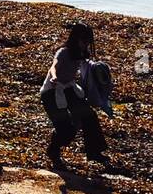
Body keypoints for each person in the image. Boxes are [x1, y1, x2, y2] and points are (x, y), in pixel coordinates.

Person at [40, 22, 109, 163]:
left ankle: (94, 152)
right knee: (66, 128)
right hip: (51, 92)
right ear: (75, 38)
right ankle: (53, 149)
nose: (86, 44)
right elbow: (54, 65)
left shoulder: (81, 53)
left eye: (88, 42)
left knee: (89, 116)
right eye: (84, 41)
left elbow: (89, 66)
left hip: (69, 89)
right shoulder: (63, 52)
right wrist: (54, 76)